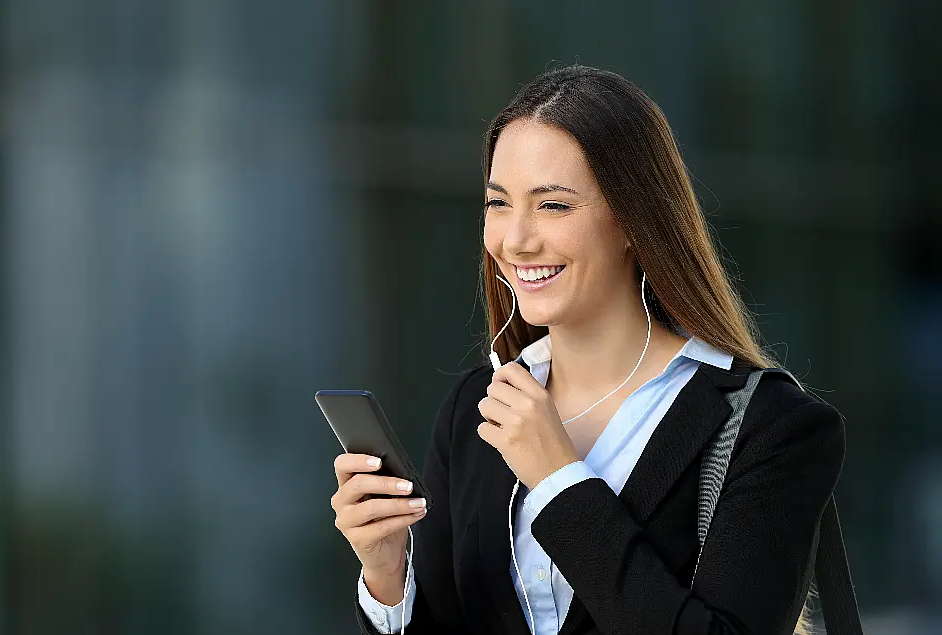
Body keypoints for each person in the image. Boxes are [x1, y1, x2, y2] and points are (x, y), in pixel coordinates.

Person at [330, 64, 845, 635]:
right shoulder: (479, 407)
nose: (517, 239)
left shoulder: (771, 428)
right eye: (498, 203)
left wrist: (558, 482)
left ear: (632, 219)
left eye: (553, 205)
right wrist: (386, 573)